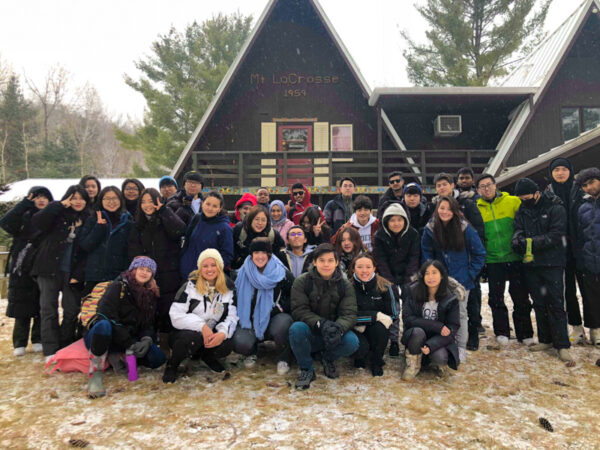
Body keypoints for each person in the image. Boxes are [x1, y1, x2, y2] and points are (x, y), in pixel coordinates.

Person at [84, 256, 166, 398]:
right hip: (105, 336)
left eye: (148, 270)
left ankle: (119, 356)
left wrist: (146, 339)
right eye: (141, 268)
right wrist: (128, 342)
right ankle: (95, 374)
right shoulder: (118, 286)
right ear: (133, 270)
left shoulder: (151, 294)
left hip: (130, 339)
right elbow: (105, 314)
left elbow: (149, 323)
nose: (144, 273)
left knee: (157, 358)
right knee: (103, 325)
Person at [512, 177, 573, 363]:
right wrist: (518, 240)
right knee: (539, 302)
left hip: (553, 262)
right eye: (521, 198)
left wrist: (531, 242)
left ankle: (562, 344)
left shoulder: (555, 207)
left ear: (537, 193)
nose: (524, 200)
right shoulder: (522, 210)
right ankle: (545, 339)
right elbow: (518, 229)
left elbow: (556, 235)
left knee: (556, 303)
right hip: (531, 264)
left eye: (527, 197)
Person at [422, 196, 486, 362]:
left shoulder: (465, 228)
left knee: (460, 314)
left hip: (461, 280)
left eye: (449, 209)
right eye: (442, 208)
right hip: (438, 280)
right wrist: (431, 274)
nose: (445, 212)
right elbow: (426, 253)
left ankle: (460, 347)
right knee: (438, 314)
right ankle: (440, 345)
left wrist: (469, 274)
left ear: (455, 211)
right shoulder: (430, 228)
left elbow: (479, 253)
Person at [31, 185, 91, 360]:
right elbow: (37, 221)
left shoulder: (89, 219)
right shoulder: (56, 214)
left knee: (71, 310)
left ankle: (65, 344)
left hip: (71, 272)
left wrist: (79, 274)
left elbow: (87, 249)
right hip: (48, 268)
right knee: (48, 310)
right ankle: (50, 349)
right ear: (67, 199)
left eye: (82, 198)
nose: (78, 202)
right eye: (74, 198)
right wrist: (57, 205)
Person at [289, 243, 358, 389]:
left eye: (330, 260)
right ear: (314, 262)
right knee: (296, 329)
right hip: (312, 329)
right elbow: (299, 310)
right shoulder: (302, 281)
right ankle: (307, 369)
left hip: (333, 332)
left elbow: (349, 313)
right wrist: (320, 323)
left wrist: (339, 328)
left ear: (337, 262)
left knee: (352, 341)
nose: (326, 265)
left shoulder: (344, 285)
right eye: (322, 260)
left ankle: (328, 358)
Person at [476, 174, 533, 349]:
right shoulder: (476, 208)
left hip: (514, 256)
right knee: (496, 297)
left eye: (489, 185)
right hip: (493, 259)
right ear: (478, 190)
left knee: (521, 296)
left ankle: (525, 333)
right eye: (482, 186)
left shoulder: (512, 202)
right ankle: (502, 332)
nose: (486, 189)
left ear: (495, 185)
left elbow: (527, 220)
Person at [163, 249, 238, 383]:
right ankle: (172, 364)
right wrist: (201, 326)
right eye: (205, 266)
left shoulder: (228, 289)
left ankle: (207, 356)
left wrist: (222, 333)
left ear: (220, 267)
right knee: (191, 338)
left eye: (213, 265)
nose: (209, 269)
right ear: (200, 268)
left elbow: (232, 317)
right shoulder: (189, 287)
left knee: (226, 343)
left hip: (210, 333)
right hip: (184, 334)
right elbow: (175, 315)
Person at [128, 188, 186, 345]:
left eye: (151, 201)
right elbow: (134, 251)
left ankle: (167, 344)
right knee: (148, 310)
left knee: (167, 309)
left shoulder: (166, 217)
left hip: (169, 273)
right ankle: (149, 342)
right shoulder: (137, 225)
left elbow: (180, 230)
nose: (148, 205)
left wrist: (164, 211)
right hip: (147, 275)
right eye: (144, 202)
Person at [432, 172, 485, 342]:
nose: (442, 188)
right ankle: (449, 339)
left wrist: (473, 268)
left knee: (471, 301)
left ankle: (473, 334)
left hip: (465, 261)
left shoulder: (466, 203)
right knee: (447, 304)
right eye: (438, 185)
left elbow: (478, 230)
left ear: (452, 185)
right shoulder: (433, 205)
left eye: (444, 184)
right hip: (443, 265)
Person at [0, 186, 53, 356]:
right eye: (37, 197)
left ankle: (38, 339)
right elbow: (5, 223)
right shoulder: (23, 217)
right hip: (21, 267)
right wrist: (24, 204)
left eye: (45, 197)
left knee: (41, 304)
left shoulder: (52, 218)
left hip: (42, 265)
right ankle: (19, 341)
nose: (41, 200)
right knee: (21, 304)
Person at [232, 238, 295, 374]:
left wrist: (280, 308)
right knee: (240, 342)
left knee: (284, 325)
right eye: (256, 252)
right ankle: (251, 352)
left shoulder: (282, 274)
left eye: (263, 252)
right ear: (251, 254)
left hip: (274, 317)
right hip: (249, 318)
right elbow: (235, 298)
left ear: (269, 254)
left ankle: (283, 358)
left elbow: (294, 297)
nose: (260, 256)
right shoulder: (241, 273)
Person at [547, 157, 587, 344]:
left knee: (591, 290)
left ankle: (595, 328)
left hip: (584, 248)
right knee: (568, 291)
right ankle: (577, 328)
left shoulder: (581, 191)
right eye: (556, 170)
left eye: (563, 169)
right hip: (561, 251)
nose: (560, 172)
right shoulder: (548, 194)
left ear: (570, 171)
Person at [372, 202, 420, 356]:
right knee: (392, 306)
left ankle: (408, 338)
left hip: (408, 274)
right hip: (388, 274)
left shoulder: (413, 234)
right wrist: (389, 280)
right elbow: (381, 259)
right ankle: (393, 340)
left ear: (405, 220)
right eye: (392, 220)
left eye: (399, 220)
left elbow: (414, 257)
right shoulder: (380, 235)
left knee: (409, 306)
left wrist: (409, 278)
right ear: (386, 221)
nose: (396, 223)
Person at [401, 260, 461, 380]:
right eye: (427, 273)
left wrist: (431, 345)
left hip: (438, 338)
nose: (430, 277)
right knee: (417, 332)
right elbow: (408, 319)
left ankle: (436, 363)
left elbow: (452, 328)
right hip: (415, 334)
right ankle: (413, 364)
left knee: (440, 357)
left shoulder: (451, 298)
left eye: (434, 273)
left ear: (442, 275)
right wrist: (436, 326)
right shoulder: (412, 291)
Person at [350, 253, 399, 376]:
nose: (364, 271)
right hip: (356, 328)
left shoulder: (386, 287)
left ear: (374, 268)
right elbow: (347, 316)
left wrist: (371, 319)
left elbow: (393, 315)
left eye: (368, 267)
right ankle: (360, 356)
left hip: (376, 329)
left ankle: (376, 361)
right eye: (360, 267)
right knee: (360, 347)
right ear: (353, 269)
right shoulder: (347, 287)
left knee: (380, 327)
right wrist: (374, 316)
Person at [79, 186, 134, 293]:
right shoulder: (93, 219)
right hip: (95, 276)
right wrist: (98, 228)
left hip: (118, 277)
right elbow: (85, 246)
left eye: (114, 198)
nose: (111, 202)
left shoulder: (128, 222)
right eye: (107, 199)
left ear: (120, 200)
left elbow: (130, 251)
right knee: (92, 307)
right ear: (101, 201)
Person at [180, 191, 234, 278]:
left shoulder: (224, 228)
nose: (210, 208)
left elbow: (227, 255)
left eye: (214, 206)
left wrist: (211, 271)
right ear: (202, 204)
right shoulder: (197, 218)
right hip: (187, 272)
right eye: (208, 204)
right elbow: (187, 242)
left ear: (220, 209)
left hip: (207, 277)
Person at [575, 167, 600, 346]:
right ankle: (596, 332)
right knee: (592, 299)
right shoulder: (582, 208)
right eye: (584, 185)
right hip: (590, 260)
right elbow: (580, 235)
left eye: (592, 182)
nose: (589, 187)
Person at [232, 205, 286, 270]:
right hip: (241, 270)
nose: (260, 223)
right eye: (256, 219)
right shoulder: (239, 229)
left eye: (263, 220)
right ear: (250, 219)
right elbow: (230, 247)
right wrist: (238, 260)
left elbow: (280, 252)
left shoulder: (273, 234)